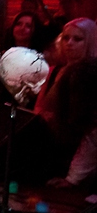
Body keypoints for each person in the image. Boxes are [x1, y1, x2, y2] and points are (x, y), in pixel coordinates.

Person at [33, 18, 97, 188]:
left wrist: (73, 177)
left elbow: (91, 132)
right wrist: (44, 115)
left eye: (77, 39)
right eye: (66, 38)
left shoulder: (90, 75)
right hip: (52, 147)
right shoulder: (55, 71)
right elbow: (38, 106)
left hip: (77, 154)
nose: (69, 44)